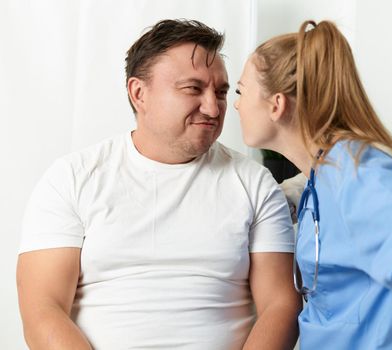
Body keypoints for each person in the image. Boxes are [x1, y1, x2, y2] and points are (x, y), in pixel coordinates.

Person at [16, 19, 301, 350]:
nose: (213, 108)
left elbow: (281, 306)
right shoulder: (73, 177)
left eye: (221, 92)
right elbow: (42, 309)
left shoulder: (253, 182)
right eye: (193, 89)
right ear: (139, 93)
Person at [235, 20, 392, 349]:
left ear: (276, 104)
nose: (236, 105)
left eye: (241, 91)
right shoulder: (322, 176)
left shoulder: (354, 169)